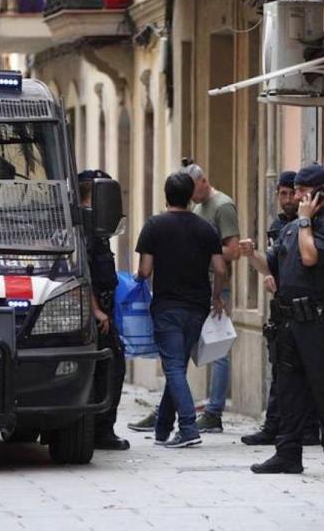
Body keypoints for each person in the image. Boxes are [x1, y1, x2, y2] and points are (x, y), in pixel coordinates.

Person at [239, 163, 324, 476]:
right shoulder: (291, 229)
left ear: (322, 191)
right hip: (287, 322)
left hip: (316, 321)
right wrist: (252, 255)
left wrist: (305, 220)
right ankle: (287, 454)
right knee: (288, 388)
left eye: (304, 192)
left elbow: (310, 257)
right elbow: (271, 266)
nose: (299, 198)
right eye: (298, 191)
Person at [128, 159, 240, 434]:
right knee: (178, 365)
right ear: (191, 196)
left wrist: (139, 279)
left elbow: (145, 270)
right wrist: (216, 298)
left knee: (173, 367)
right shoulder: (205, 229)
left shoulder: (154, 226)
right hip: (198, 307)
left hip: (167, 306)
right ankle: (163, 426)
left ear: (166, 196)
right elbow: (220, 268)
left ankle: (188, 427)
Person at [241, 171, 320, 447]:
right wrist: (254, 258)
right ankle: (276, 425)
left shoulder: (313, 225)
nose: (288, 200)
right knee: (281, 369)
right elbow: (272, 264)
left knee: (308, 372)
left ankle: (308, 429)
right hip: (283, 307)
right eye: (283, 194)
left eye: (292, 193)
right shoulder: (279, 227)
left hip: (309, 309)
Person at [78, 170, 130, 451]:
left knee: (109, 368)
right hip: (95, 311)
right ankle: (101, 429)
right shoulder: (84, 226)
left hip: (103, 307)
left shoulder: (93, 225)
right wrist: (97, 310)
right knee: (110, 368)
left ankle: (100, 427)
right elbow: (81, 272)